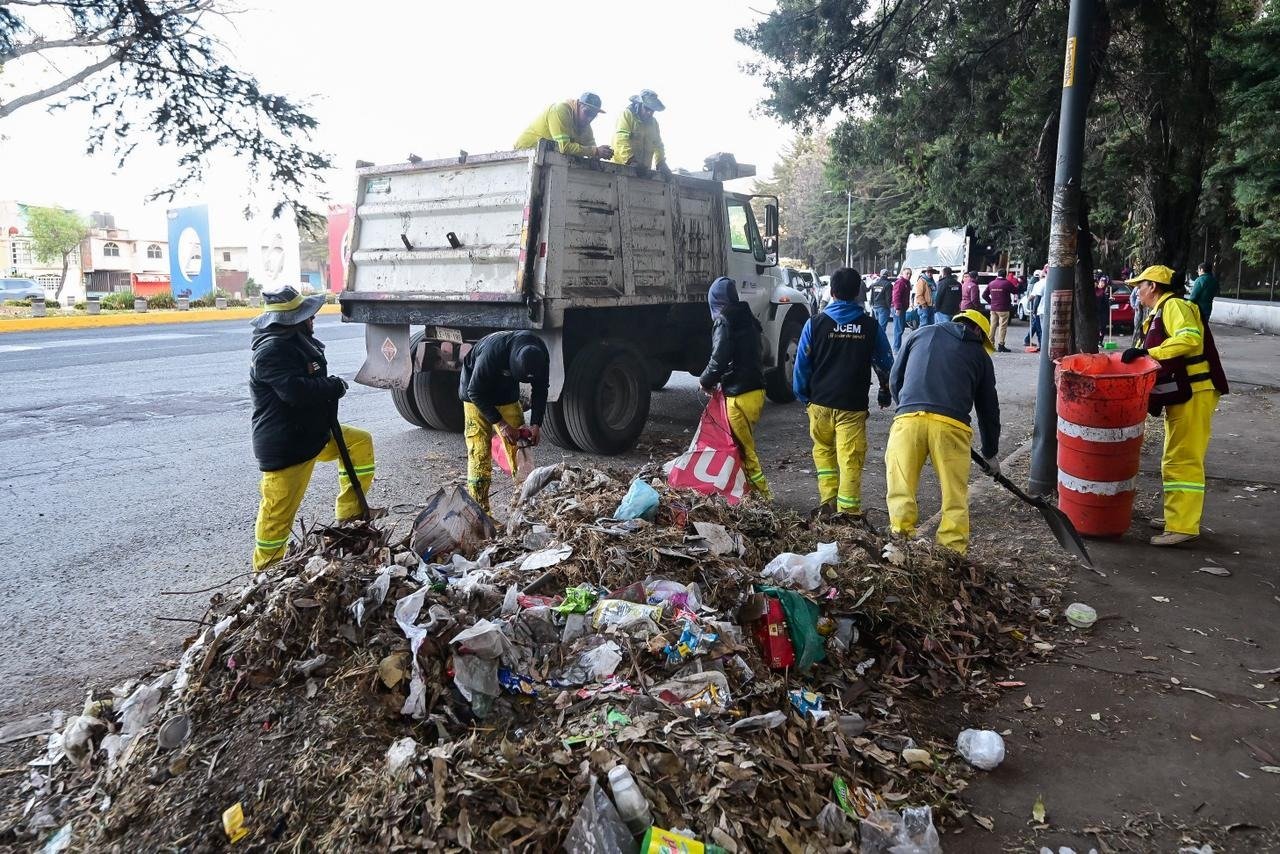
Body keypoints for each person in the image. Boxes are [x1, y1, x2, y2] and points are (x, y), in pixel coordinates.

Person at [249, 286, 376, 571]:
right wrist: (332, 386)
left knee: (360, 443)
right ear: (293, 320)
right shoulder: (271, 351)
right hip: (288, 445)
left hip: (311, 433)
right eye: (308, 316)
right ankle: (266, 569)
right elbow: (294, 391)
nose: (313, 320)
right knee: (277, 515)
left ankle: (350, 516)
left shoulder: (294, 341)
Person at [1121, 265, 1229, 546]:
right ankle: (1177, 518)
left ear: (1153, 287)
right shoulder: (1162, 311)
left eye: (1140, 285)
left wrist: (1148, 352)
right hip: (1187, 393)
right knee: (1174, 456)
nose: (1137, 291)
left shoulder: (1175, 307)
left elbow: (1190, 338)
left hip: (1195, 390)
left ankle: (1182, 526)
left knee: (1183, 459)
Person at [885, 309, 1000, 554]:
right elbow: (988, 410)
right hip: (951, 426)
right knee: (954, 495)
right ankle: (952, 552)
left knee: (901, 486)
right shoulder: (979, 355)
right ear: (978, 331)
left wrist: (907, 404)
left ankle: (899, 543)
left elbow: (895, 378)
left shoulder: (919, 334)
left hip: (907, 421)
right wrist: (990, 454)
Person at [792, 268, 893, 518]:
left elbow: (801, 364)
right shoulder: (870, 326)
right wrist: (884, 390)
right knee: (850, 459)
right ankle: (847, 515)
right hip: (852, 406)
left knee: (824, 454)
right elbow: (885, 362)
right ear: (859, 291)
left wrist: (804, 396)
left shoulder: (814, 324)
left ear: (832, 292)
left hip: (820, 403)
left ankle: (827, 502)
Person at [459, 331, 550, 512]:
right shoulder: (492, 352)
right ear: (511, 362)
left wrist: (536, 424)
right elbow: (475, 391)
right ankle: (481, 512)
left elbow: (540, 390)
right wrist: (501, 424)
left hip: (506, 395)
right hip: (476, 395)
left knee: (520, 447)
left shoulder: (540, 355)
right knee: (479, 452)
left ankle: (523, 507)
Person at [700, 276, 771, 500]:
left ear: (716, 301)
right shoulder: (749, 318)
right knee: (744, 444)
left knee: (743, 449)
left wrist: (705, 381)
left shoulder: (724, 320)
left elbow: (719, 357)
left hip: (739, 394)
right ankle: (748, 491)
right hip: (756, 390)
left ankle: (763, 497)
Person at [514, 92, 614, 160]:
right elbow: (564, 147)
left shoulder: (585, 125)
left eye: (593, 115)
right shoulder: (560, 110)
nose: (589, 119)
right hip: (524, 154)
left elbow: (592, 149)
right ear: (578, 105)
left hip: (545, 157)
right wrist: (596, 151)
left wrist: (604, 152)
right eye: (587, 112)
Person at [612, 90, 671, 178]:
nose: (649, 113)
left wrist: (661, 162)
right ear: (639, 104)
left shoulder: (654, 123)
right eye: (647, 108)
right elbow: (621, 140)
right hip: (621, 169)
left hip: (643, 171)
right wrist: (631, 160)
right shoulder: (627, 115)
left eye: (652, 110)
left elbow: (658, 145)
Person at [982, 270, 1016, 352]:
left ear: (998, 274)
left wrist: (991, 302)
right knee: (1002, 327)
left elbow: (984, 295)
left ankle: (990, 344)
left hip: (993, 308)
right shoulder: (1007, 283)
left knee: (992, 326)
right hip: (1004, 308)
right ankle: (1001, 345)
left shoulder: (991, 283)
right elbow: (1015, 291)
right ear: (1005, 275)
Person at [1023, 266, 1045, 350]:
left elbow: (1031, 295)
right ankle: (1035, 342)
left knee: (1037, 326)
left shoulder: (1036, 282)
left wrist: (1029, 302)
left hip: (1038, 308)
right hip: (1039, 308)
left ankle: (1030, 340)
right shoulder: (1038, 283)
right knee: (1037, 326)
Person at [891, 267, 912, 351]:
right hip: (898, 308)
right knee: (898, 328)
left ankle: (897, 347)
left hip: (902, 308)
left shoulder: (906, 283)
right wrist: (898, 308)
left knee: (900, 328)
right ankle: (896, 348)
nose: (909, 275)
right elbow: (896, 296)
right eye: (907, 273)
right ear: (902, 274)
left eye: (910, 274)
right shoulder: (900, 283)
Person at [868, 268, 893, 337]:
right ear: (887, 275)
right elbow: (888, 298)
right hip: (883, 307)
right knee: (882, 327)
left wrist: (872, 304)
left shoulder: (874, 284)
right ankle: (880, 343)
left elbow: (872, 296)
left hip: (875, 306)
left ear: (881, 274)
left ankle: (875, 341)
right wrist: (889, 308)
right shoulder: (888, 285)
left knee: (877, 326)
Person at [1095, 274, 1113, 345]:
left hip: (1104, 312)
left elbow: (1106, 302)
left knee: (1103, 327)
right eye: (1101, 282)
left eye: (1104, 282)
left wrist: (1110, 301)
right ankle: (1097, 341)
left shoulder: (1105, 292)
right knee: (1098, 327)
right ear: (1099, 282)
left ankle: (1100, 341)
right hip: (1097, 312)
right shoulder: (1096, 291)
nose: (1102, 283)